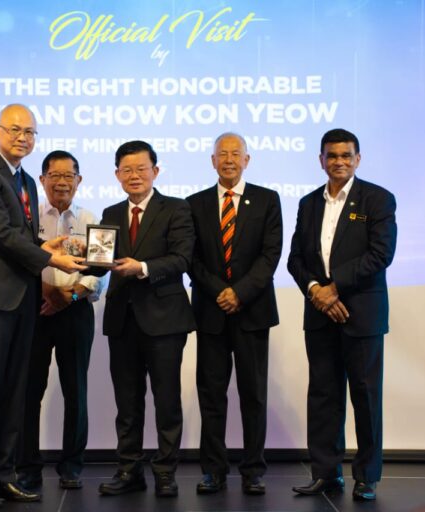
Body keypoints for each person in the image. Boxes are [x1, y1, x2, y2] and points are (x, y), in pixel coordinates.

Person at [0, 104, 86, 508]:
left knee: (14, 392)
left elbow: (23, 237)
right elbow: (1, 235)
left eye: (29, 132)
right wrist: (51, 258)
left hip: (22, 299)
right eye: (15, 130)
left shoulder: (27, 180)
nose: (22, 138)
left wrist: (47, 245)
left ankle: (4, 475)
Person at [287, 128, 397, 501]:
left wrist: (334, 287)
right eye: (332, 156)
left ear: (357, 159)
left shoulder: (378, 199)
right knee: (323, 395)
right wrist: (316, 290)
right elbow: (296, 259)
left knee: (365, 396)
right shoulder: (308, 203)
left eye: (346, 155)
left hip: (361, 314)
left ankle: (366, 477)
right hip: (320, 313)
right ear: (321, 160)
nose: (339, 162)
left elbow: (381, 254)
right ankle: (326, 473)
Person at [90, 140, 196, 498]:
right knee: (127, 402)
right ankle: (129, 469)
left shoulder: (176, 208)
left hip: (165, 320)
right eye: (127, 170)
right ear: (117, 174)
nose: (134, 175)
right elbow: (100, 262)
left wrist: (143, 267)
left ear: (156, 171)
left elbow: (182, 259)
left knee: (167, 400)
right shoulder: (110, 212)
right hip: (123, 319)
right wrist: (79, 256)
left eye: (141, 169)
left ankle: (165, 472)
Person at [186, 132, 283, 495]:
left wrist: (239, 293)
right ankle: (213, 470)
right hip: (211, 312)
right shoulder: (194, 203)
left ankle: (253, 470)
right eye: (222, 154)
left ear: (247, 160)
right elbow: (191, 259)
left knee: (253, 395)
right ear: (213, 161)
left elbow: (270, 255)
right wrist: (220, 292)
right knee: (211, 395)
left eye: (235, 154)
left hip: (252, 312)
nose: (228, 160)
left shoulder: (267, 200)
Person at [17, 150, 105, 492]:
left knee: (76, 391)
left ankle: (71, 466)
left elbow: (100, 272)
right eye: (54, 176)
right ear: (42, 180)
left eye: (69, 176)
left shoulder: (91, 218)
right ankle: (27, 467)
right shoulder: (29, 219)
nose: (62, 182)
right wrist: (48, 292)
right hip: (36, 310)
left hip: (75, 311)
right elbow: (21, 260)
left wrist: (70, 296)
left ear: (79, 180)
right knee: (29, 392)